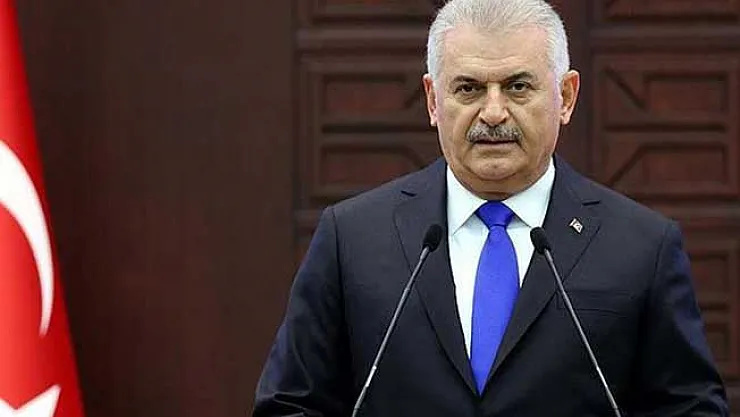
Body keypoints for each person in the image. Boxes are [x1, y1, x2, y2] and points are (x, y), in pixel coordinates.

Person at [253, 0, 729, 415]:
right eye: (468, 88)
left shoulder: (642, 247)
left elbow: (689, 408)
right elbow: (291, 405)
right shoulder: (352, 238)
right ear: (432, 100)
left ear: (565, 97)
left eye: (518, 86)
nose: (494, 112)